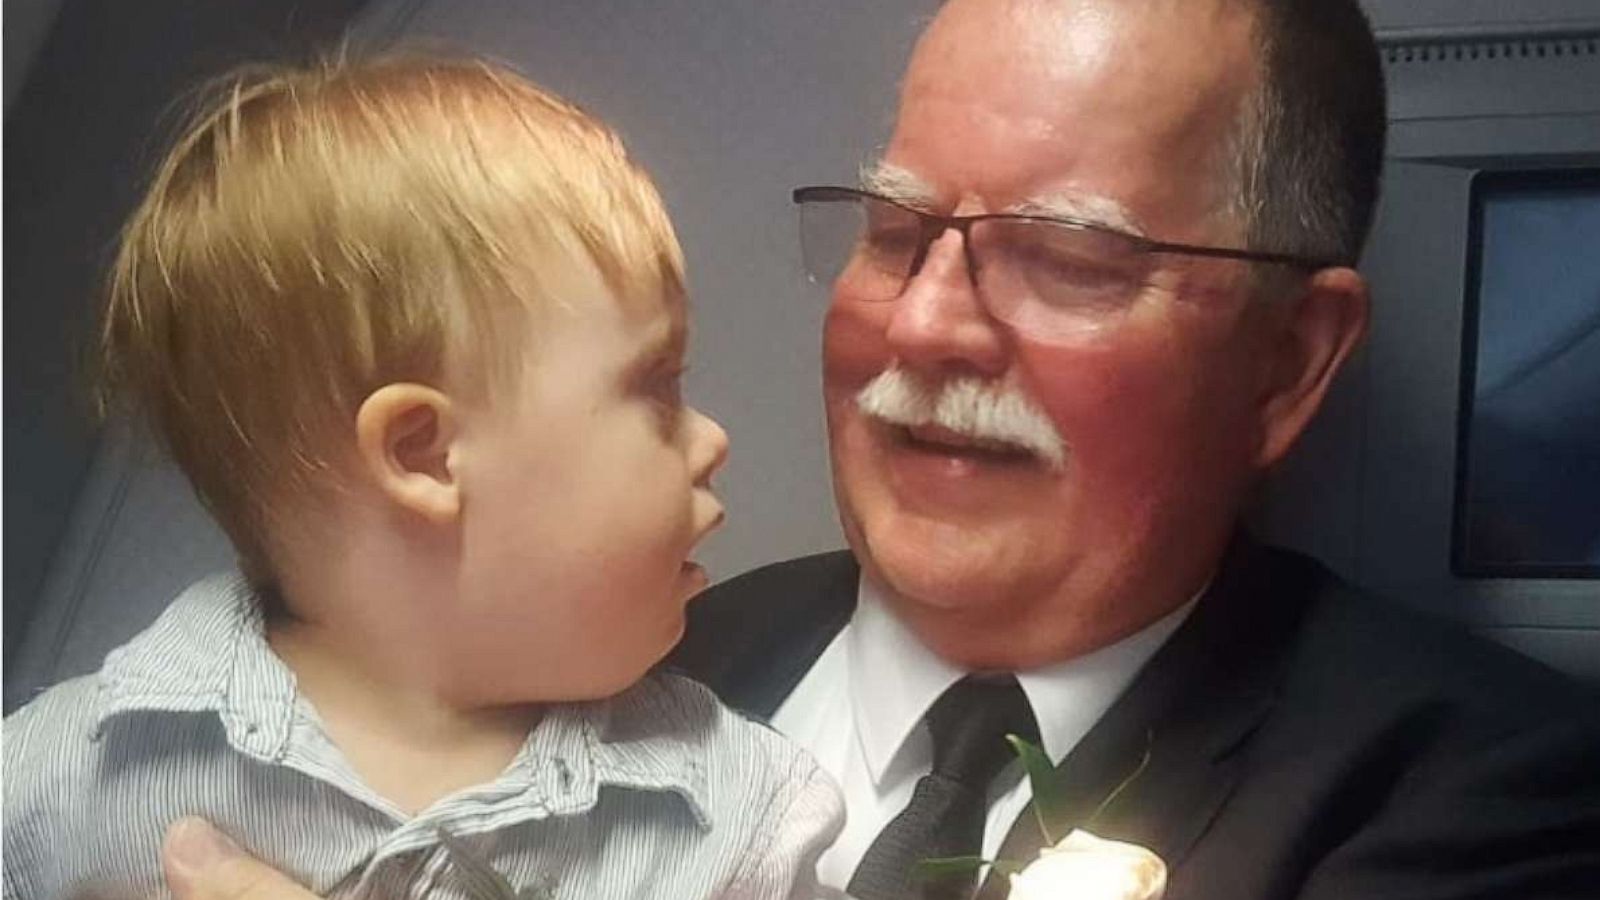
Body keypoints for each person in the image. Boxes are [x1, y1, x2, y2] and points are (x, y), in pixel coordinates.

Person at [137, 1, 1600, 898]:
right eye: (896, 230)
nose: (926, 326)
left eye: (1070, 255)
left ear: (1287, 363)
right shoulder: (608, 674)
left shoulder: (1497, 798)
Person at [2, 55, 841, 900]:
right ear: (423, 454)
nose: (712, 440)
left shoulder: (745, 821)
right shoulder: (64, 781)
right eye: (656, 388)